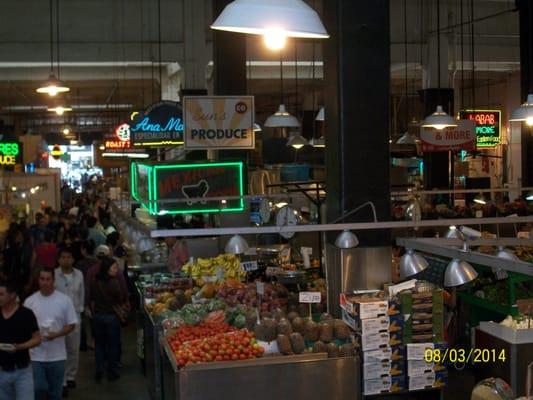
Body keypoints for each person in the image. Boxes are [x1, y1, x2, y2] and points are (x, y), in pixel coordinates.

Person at [24, 268, 78, 400]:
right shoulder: (30, 302)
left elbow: (71, 324)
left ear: (53, 281)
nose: (45, 282)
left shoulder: (64, 300)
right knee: (38, 388)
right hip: (36, 356)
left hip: (57, 356)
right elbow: (24, 326)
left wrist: (57, 334)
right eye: (42, 279)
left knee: (56, 391)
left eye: (48, 279)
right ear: (38, 281)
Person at [0, 280, 41, 400]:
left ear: (12, 295)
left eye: (1, 294)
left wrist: (20, 347)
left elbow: (37, 339)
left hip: (22, 371)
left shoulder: (26, 314)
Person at [90, 257, 125, 382]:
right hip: (111, 317)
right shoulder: (114, 282)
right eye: (114, 268)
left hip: (97, 317)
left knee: (99, 345)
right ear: (107, 269)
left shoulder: (95, 281)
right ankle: (112, 371)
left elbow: (91, 298)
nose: (116, 270)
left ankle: (99, 370)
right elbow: (119, 299)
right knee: (112, 346)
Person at [54, 247, 84, 393]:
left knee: (73, 349)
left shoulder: (79, 275)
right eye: (63, 257)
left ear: (73, 259)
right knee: (61, 349)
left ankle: (71, 375)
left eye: (69, 257)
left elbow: (82, 293)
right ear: (59, 259)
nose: (66, 260)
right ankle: (63, 379)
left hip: (75, 316)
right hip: (59, 319)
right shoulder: (53, 275)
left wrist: (81, 310)